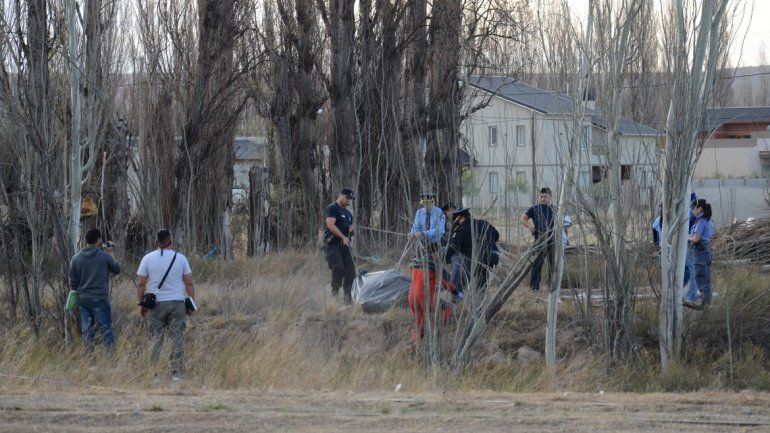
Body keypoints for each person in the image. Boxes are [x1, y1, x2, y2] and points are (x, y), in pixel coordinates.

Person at [136, 229, 196, 380]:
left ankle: (153, 374)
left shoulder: (147, 258)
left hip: (155, 305)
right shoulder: (181, 258)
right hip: (177, 303)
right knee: (177, 338)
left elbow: (141, 284)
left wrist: (141, 303)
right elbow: (189, 282)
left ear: (156, 242)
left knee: (155, 338)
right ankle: (177, 374)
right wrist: (191, 303)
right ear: (171, 240)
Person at [68, 229, 121, 352]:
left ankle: (89, 361)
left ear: (86, 241)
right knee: (106, 329)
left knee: (87, 330)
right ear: (98, 241)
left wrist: (74, 301)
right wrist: (111, 252)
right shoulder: (104, 256)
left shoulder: (75, 258)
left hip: (82, 299)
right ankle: (111, 360)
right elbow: (117, 269)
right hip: (100, 299)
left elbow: (72, 282)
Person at [445, 208, 500, 294]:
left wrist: (443, 258)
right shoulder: (484, 223)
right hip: (492, 258)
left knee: (458, 282)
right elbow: (496, 236)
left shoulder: (462, 229)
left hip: (475, 259)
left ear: (462, 218)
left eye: (457, 221)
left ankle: (455, 302)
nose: (457, 223)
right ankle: (481, 300)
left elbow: (453, 247)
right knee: (482, 283)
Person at [323, 187, 356, 304]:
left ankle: (348, 299)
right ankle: (334, 296)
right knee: (339, 268)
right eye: (347, 198)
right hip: (332, 244)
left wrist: (350, 234)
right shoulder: (332, 208)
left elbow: (351, 232)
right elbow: (331, 225)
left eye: (351, 199)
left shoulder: (348, 214)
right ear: (341, 196)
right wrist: (343, 237)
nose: (349, 201)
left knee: (351, 271)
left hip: (345, 246)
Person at [521, 187, 556, 291]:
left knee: (552, 266)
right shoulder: (535, 208)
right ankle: (534, 288)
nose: (543, 198)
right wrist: (531, 226)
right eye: (541, 196)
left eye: (545, 196)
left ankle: (551, 288)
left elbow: (565, 222)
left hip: (552, 240)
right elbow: (522, 218)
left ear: (550, 197)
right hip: (539, 240)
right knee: (537, 265)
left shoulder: (554, 209)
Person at [686, 199, 714, 307]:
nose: (693, 210)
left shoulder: (701, 221)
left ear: (700, 209)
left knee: (700, 276)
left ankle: (705, 302)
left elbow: (696, 239)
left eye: (694, 208)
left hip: (700, 252)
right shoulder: (708, 220)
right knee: (705, 277)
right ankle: (706, 301)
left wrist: (687, 236)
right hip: (705, 252)